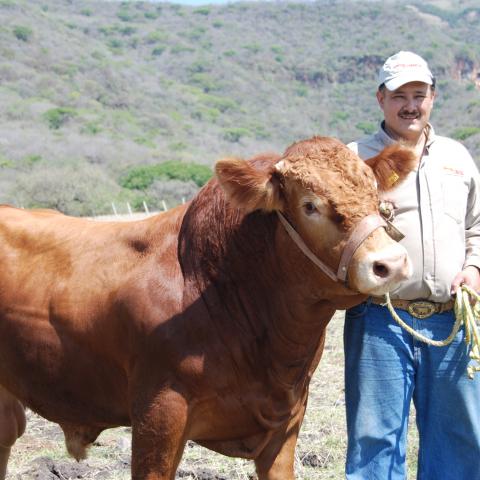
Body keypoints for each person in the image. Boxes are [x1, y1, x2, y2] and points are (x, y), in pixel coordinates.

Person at [344, 50, 480, 480]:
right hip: (379, 319)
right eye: (399, 95)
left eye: (419, 94)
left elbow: (477, 226)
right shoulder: (354, 160)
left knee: (457, 440)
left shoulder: (458, 158)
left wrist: (474, 269)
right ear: (380, 99)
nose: (410, 105)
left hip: (452, 320)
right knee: (375, 440)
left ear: (433, 98)